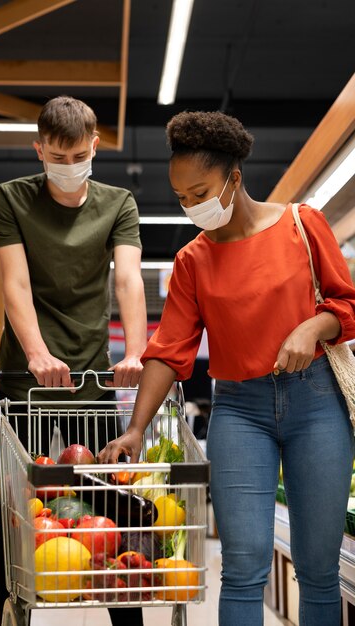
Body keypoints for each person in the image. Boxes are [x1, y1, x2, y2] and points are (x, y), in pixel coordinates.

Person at [98, 110, 355, 625]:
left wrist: (312, 328)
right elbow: (170, 349)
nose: (192, 206)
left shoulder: (303, 225)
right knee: (242, 565)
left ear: (233, 178)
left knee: (320, 568)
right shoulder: (192, 261)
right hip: (240, 411)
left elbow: (347, 307)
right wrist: (135, 428)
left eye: (201, 191)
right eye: (182, 198)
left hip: (318, 403)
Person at [0, 96, 147, 625]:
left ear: (95, 147)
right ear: (39, 150)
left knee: (112, 513)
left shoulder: (118, 202)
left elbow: (126, 278)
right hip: (25, 386)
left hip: (92, 381)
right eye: (56, 155)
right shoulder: (11, 199)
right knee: (17, 517)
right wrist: (36, 353)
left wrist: (136, 350)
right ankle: (15, 617)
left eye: (78, 154)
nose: (67, 164)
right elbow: (14, 283)